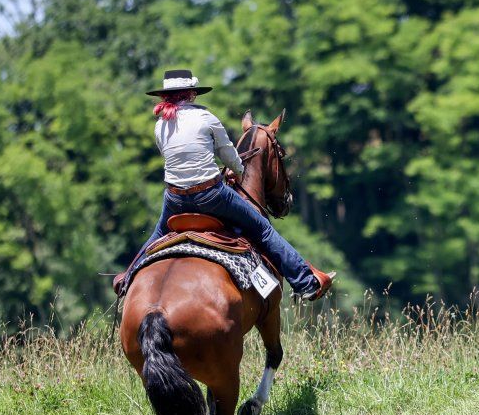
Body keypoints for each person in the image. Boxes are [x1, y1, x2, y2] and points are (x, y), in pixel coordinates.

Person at [113, 69, 333, 300]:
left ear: (165, 96)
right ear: (192, 93)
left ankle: (126, 279)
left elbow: (177, 159)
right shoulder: (206, 118)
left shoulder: (160, 125)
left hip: (175, 199)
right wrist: (237, 171)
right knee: (263, 229)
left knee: (158, 234)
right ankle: (305, 282)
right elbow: (229, 155)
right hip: (210, 195)